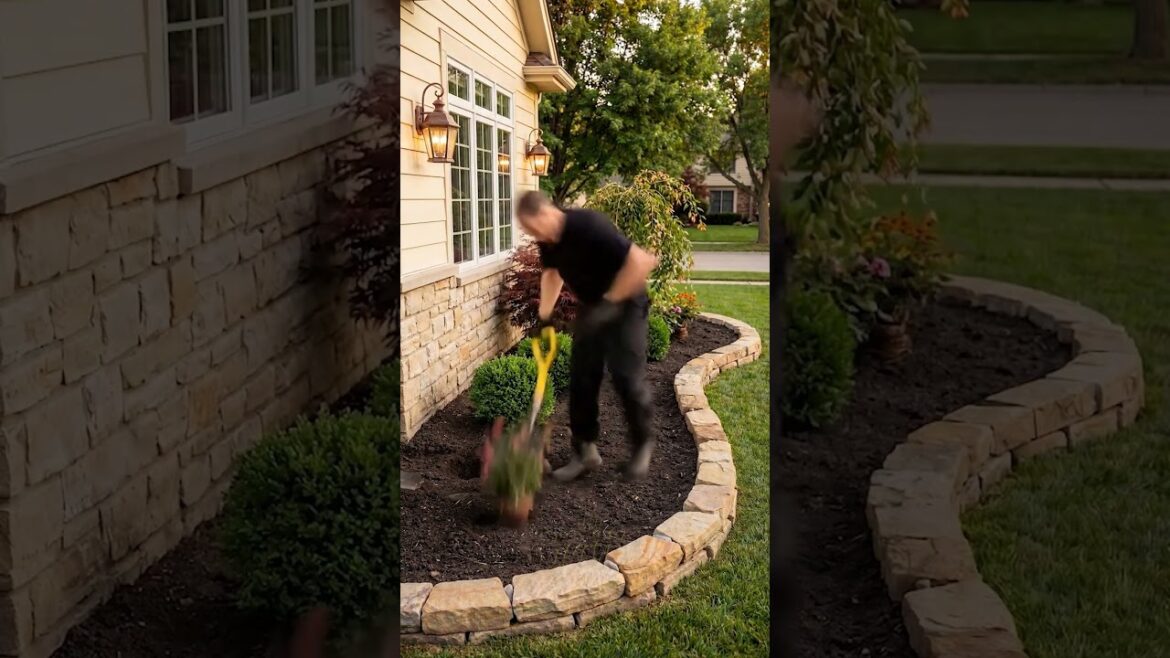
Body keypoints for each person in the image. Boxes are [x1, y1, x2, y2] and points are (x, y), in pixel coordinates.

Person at [515, 190, 659, 481]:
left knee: (625, 376)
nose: (534, 235)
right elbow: (552, 274)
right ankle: (585, 452)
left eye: (532, 228)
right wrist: (545, 316)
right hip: (593, 307)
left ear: (546, 213)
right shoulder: (549, 241)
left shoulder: (588, 225)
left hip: (627, 303)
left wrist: (610, 302)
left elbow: (642, 261)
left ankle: (642, 443)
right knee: (581, 377)